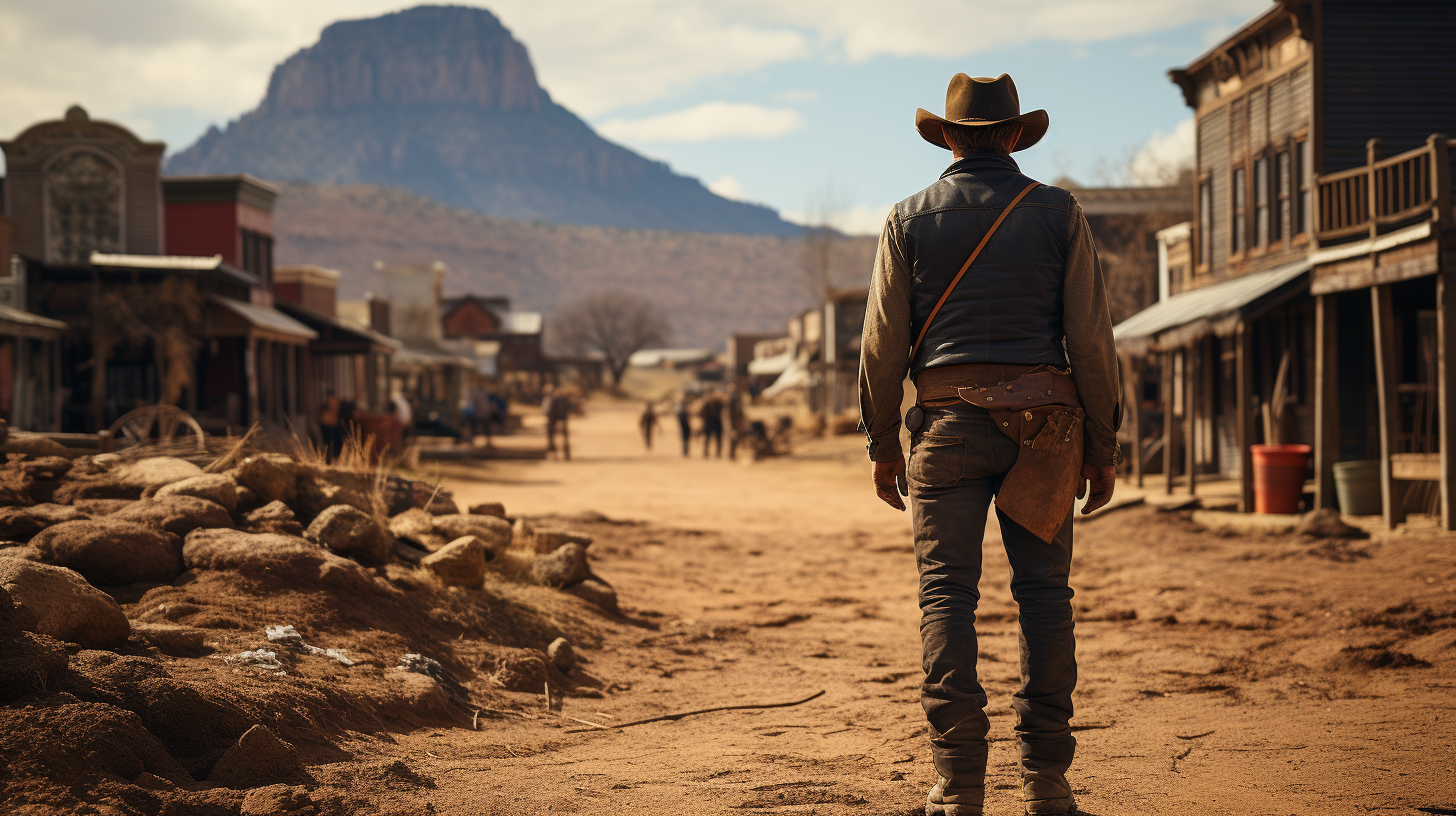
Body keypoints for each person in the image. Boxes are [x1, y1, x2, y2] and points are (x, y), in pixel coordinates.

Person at [858, 73, 1119, 816]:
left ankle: (957, 785)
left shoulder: (907, 219)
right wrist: (1104, 444)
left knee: (947, 595)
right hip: (1046, 433)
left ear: (947, 136)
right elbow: (1091, 341)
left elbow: (881, 346)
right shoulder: (1060, 213)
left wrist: (881, 441)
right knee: (1044, 595)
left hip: (946, 428)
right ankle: (1046, 780)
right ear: (1012, 136)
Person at [541, 384, 573, 460]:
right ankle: (555, 453)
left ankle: (563, 453)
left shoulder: (556, 399)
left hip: (556, 417)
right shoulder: (553, 399)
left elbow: (545, 410)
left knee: (559, 436)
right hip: (554, 418)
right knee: (553, 436)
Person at [698, 390, 724, 458]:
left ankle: (718, 452)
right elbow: (702, 412)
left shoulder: (719, 403)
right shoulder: (708, 403)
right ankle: (706, 452)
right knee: (708, 438)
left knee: (718, 438)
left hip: (716, 421)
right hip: (709, 422)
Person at [319, 390, 343, 462]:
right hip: (329, 439)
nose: (335, 403)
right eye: (333, 401)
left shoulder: (339, 415)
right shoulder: (325, 416)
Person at [726, 384, 746, 460]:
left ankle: (732, 454)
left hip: (734, 422)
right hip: (734, 422)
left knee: (734, 438)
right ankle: (732, 454)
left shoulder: (733, 398)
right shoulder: (733, 399)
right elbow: (734, 412)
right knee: (734, 437)